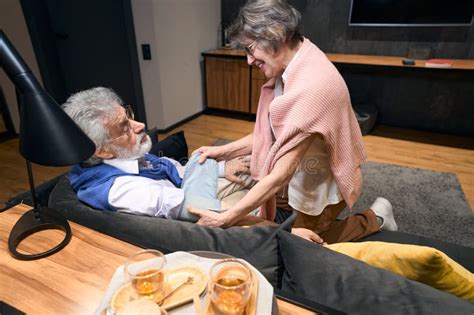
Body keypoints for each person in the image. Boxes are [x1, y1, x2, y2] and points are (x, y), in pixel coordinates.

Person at [188, 0, 397, 244]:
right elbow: (271, 136)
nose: (249, 60)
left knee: (303, 243)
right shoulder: (296, 58)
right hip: (303, 170)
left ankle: (376, 217)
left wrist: (226, 218)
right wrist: (221, 151)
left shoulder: (311, 86)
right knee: (274, 211)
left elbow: (281, 172)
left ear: (275, 36)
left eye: (251, 49)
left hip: (319, 181)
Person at [62, 87, 263, 225]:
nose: (140, 126)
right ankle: (276, 226)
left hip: (186, 188)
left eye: (129, 116)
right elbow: (193, 208)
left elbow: (176, 169)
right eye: (125, 128)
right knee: (254, 197)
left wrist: (220, 169)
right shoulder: (120, 189)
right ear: (102, 150)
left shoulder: (126, 156)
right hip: (190, 210)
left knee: (255, 166)